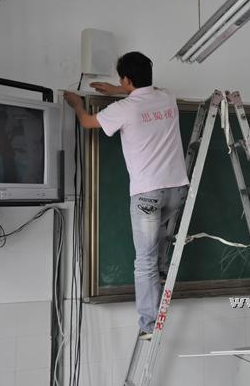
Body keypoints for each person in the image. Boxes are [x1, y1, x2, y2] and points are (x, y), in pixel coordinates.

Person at [64, 51, 189, 339]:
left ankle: (149, 325)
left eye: (122, 80)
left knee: (143, 260)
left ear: (128, 80)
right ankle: (161, 270)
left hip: (147, 195)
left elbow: (88, 122)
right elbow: (148, 91)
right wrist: (118, 89)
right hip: (177, 189)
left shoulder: (124, 109)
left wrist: (77, 104)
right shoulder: (167, 96)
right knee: (160, 238)